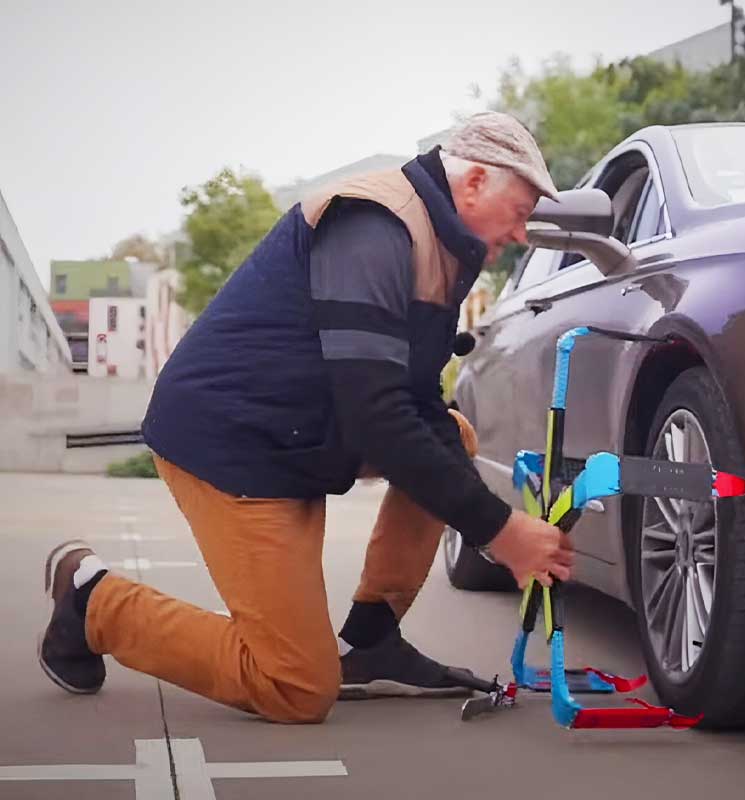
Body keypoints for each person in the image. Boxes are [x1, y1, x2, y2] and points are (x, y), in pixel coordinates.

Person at [36, 111, 575, 723]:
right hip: (233, 446)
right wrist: (500, 531)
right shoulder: (373, 226)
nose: (525, 233)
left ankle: (371, 639)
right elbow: (375, 411)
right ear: (475, 182)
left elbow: (418, 400)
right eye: (524, 209)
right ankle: (93, 601)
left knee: (449, 432)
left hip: (299, 438)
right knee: (294, 686)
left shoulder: (443, 247)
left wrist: (494, 527)